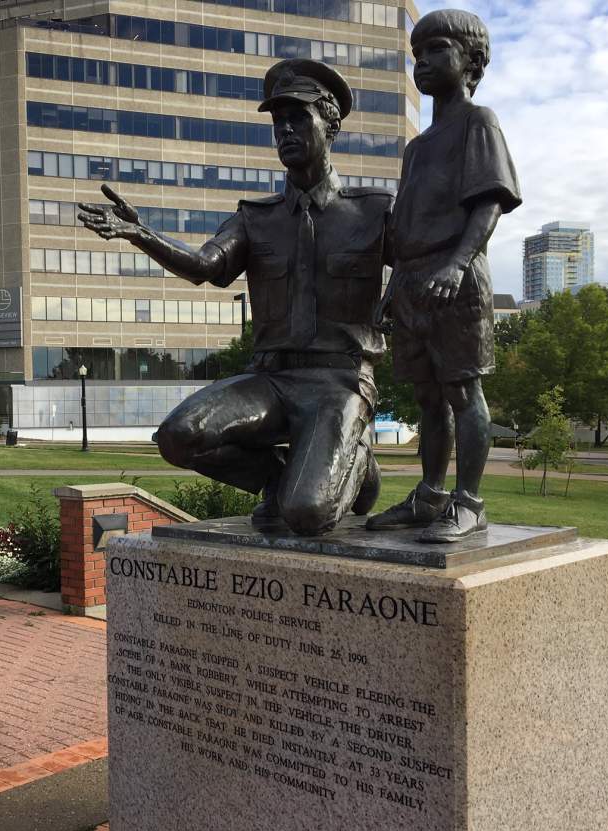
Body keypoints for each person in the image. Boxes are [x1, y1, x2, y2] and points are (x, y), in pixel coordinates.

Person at [78, 59, 391, 536]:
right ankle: (281, 478)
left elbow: (421, 263)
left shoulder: (373, 212)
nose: (285, 130)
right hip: (270, 378)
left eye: (298, 118)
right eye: (277, 122)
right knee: (178, 438)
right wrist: (141, 235)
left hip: (339, 380)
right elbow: (206, 266)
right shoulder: (254, 217)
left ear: (331, 124)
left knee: (306, 515)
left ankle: (355, 460)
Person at [366, 9, 521, 543]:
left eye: (436, 50)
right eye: (417, 54)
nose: (423, 62)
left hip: (456, 275)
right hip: (412, 279)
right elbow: (405, 225)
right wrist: (392, 290)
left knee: (461, 389)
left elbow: (489, 204)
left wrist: (457, 263)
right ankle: (430, 496)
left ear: (471, 60)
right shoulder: (417, 148)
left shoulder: (479, 122)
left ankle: (470, 502)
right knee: (428, 397)